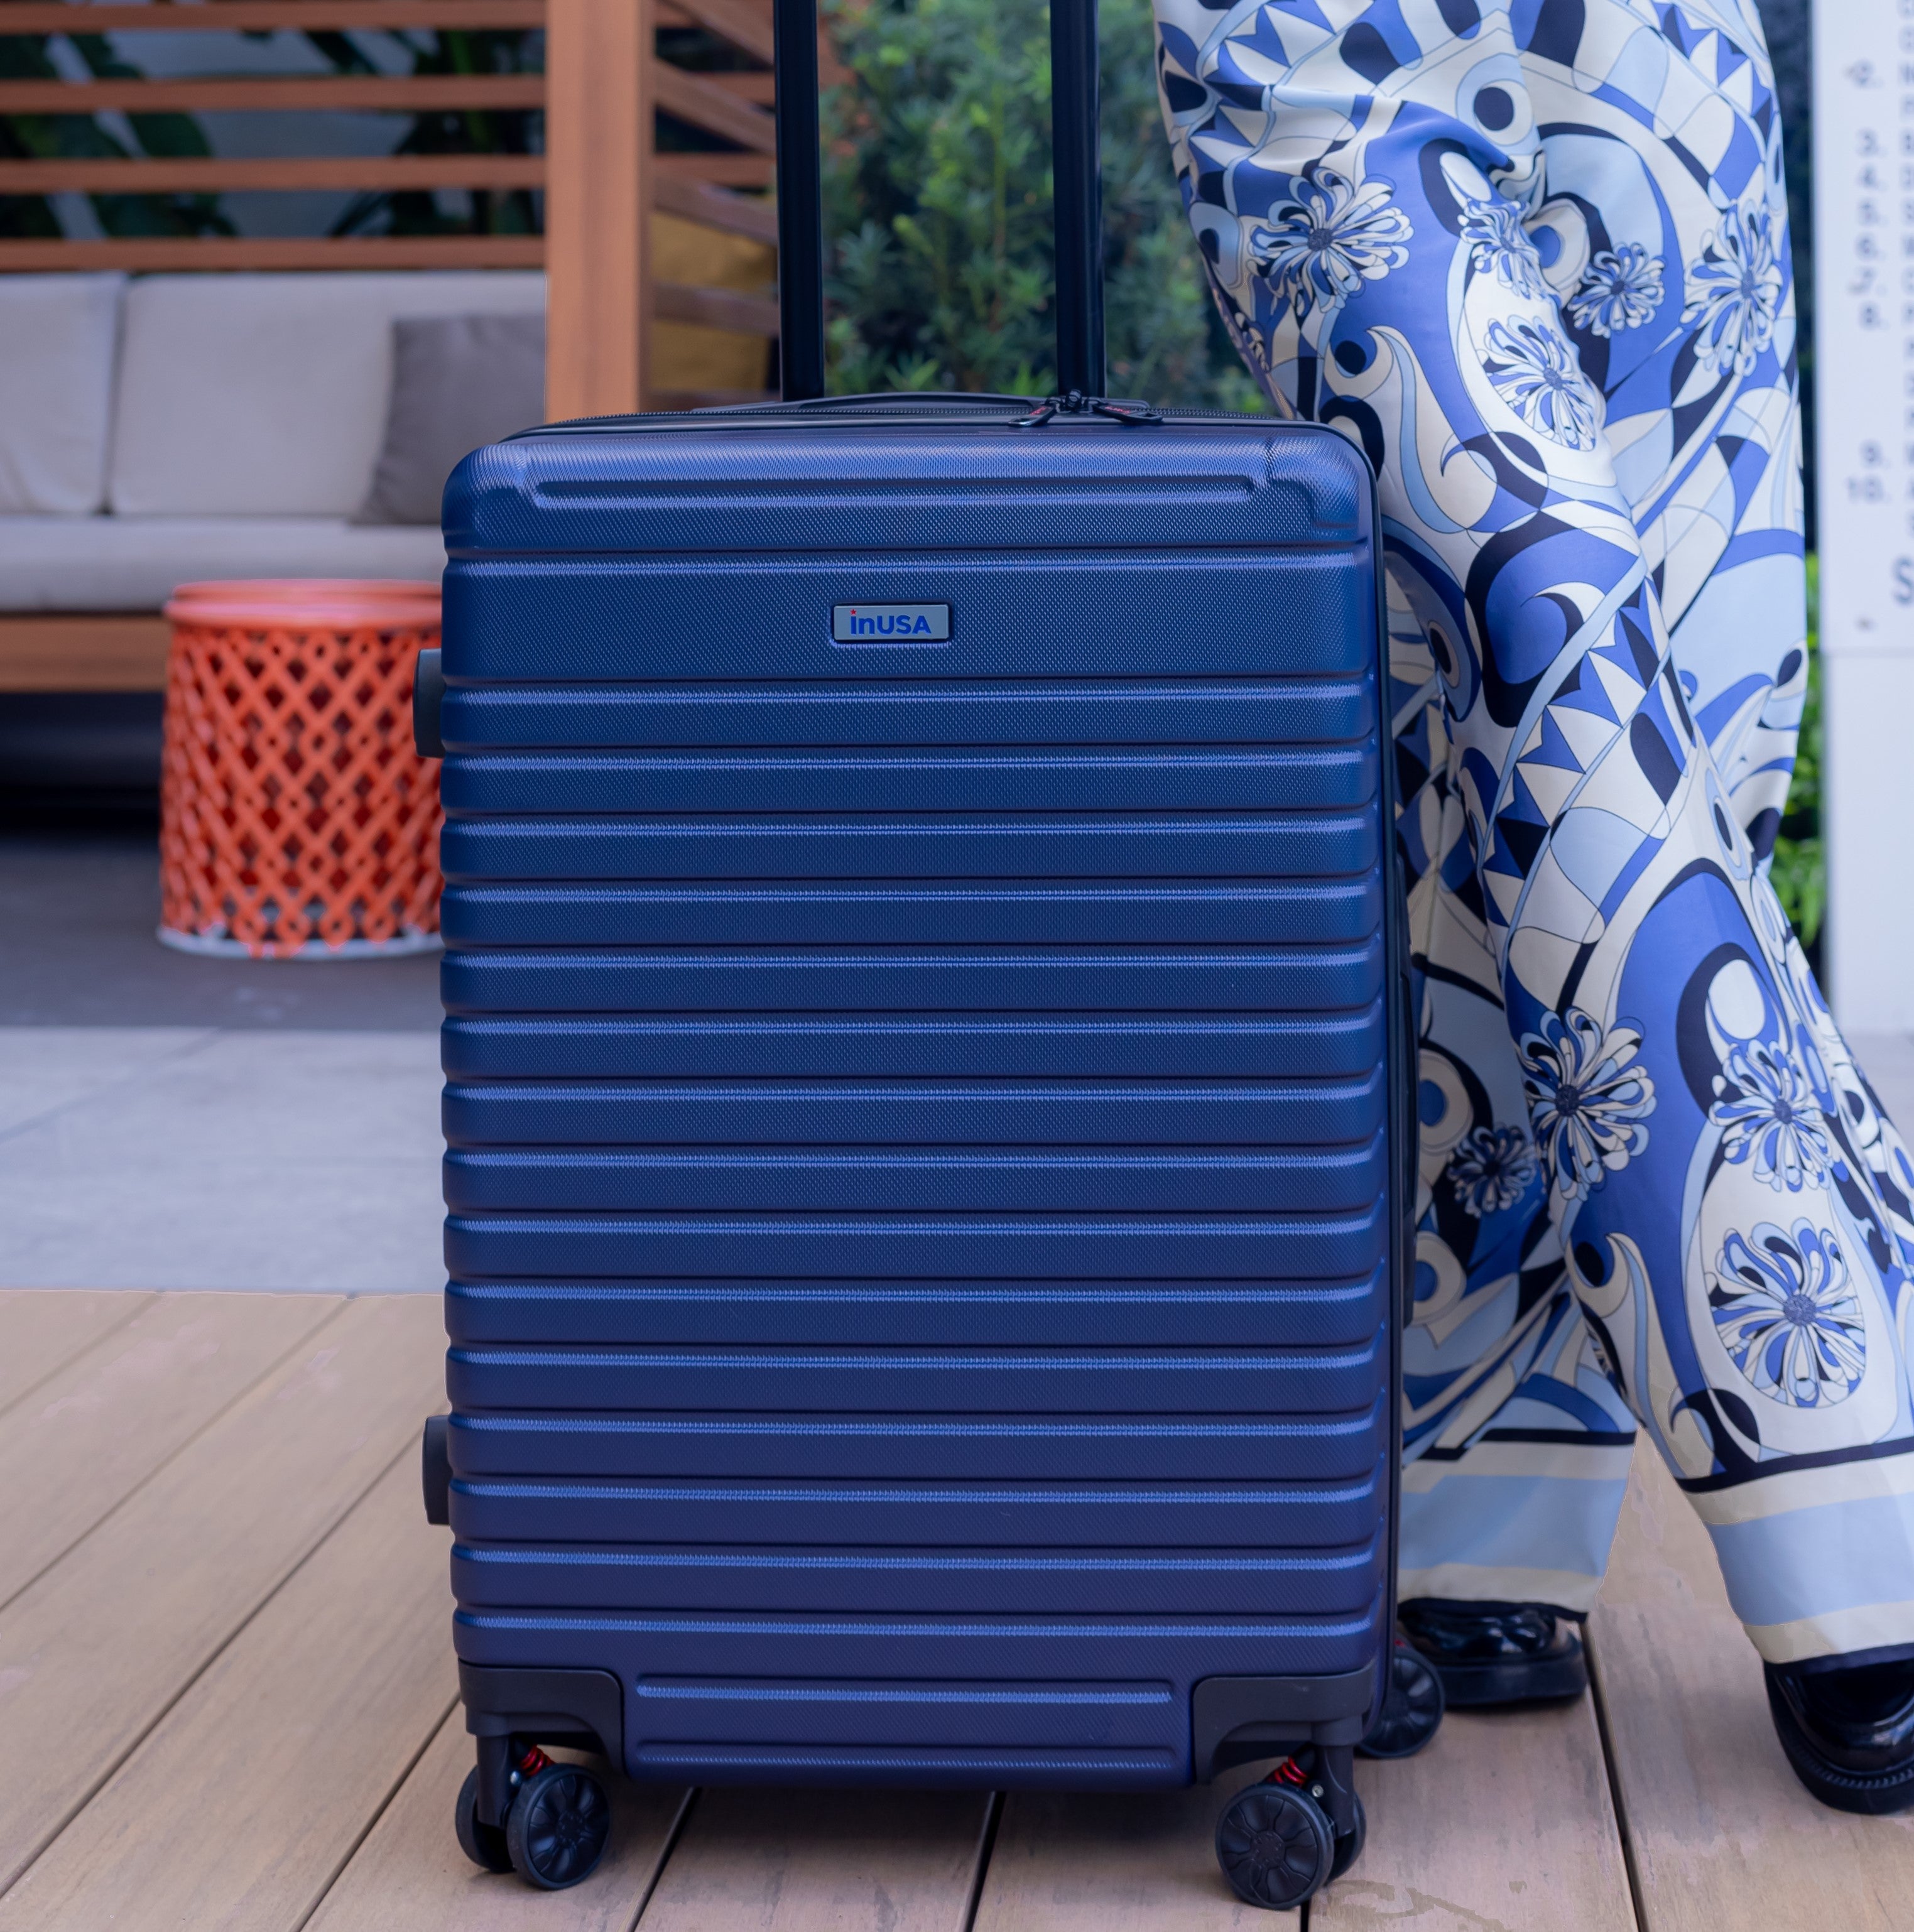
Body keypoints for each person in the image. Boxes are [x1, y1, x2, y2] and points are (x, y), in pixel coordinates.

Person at [1150, 0, 1914, 1813]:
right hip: (1317, 41)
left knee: (1662, 722)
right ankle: (1852, 1448)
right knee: (1550, 633)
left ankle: (1493, 1480)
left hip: (1670, 48)